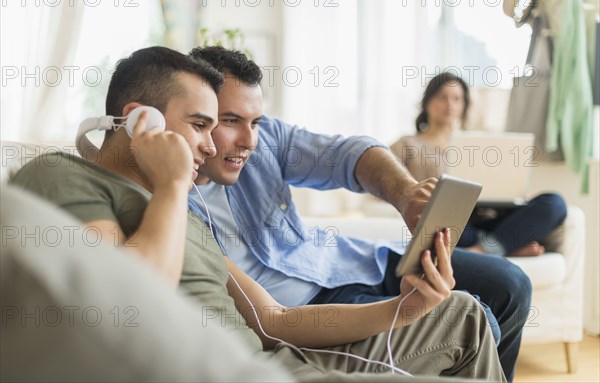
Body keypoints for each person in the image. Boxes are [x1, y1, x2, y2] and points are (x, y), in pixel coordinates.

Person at [10, 46, 505, 382]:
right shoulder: (66, 176)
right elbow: (127, 304)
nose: (208, 144)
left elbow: (274, 318)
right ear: (144, 121)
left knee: (461, 314)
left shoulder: (182, 212)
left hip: (281, 354)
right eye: (203, 125)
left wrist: (407, 310)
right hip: (237, 369)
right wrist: (173, 183)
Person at [187, 46, 529, 382]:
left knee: (511, 285)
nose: (250, 140)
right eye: (231, 120)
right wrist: (404, 308)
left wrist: (407, 194)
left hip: (344, 264)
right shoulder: (178, 209)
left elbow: (347, 153)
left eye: (255, 122)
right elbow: (271, 321)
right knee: (477, 319)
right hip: (312, 310)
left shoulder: (265, 139)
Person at [389, 72, 567, 257]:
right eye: (443, 97)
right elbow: (384, 183)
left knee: (555, 203)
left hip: (485, 215)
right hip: (450, 221)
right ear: (427, 102)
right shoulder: (407, 144)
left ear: (464, 105)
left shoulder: (477, 143)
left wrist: (512, 193)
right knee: (444, 224)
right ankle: (502, 245)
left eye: (457, 99)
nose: (450, 104)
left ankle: (483, 249)